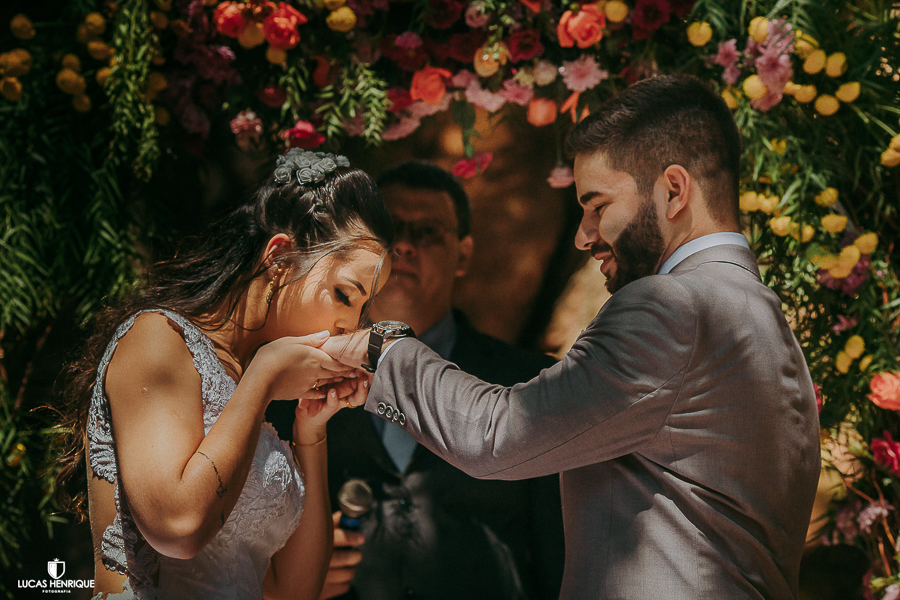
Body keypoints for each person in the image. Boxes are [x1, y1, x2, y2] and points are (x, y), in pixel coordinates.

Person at [323, 75, 822, 599]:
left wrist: (376, 348)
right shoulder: (763, 319)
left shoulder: (669, 306)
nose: (584, 236)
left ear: (673, 191)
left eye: (598, 206)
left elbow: (500, 435)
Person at [55, 149, 392, 600]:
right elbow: (178, 526)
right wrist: (264, 377)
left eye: (364, 309)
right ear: (280, 259)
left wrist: (310, 431)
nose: (350, 325)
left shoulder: (256, 388)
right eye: (345, 295)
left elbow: (293, 593)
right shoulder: (157, 339)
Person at [317, 162, 565, 600]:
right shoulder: (307, 372)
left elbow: (558, 556)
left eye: (428, 232)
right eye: (390, 229)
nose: (405, 245)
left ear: (463, 255)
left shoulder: (530, 382)